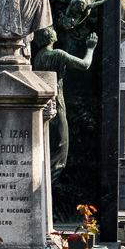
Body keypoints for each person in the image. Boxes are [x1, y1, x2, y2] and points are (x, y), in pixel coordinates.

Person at [32, 27, 98, 178]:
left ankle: (44, 184)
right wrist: (90, 48)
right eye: (52, 29)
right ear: (50, 35)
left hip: (45, 107)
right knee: (60, 153)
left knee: (50, 148)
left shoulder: (38, 57)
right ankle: (46, 185)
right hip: (57, 106)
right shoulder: (58, 54)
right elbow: (85, 64)